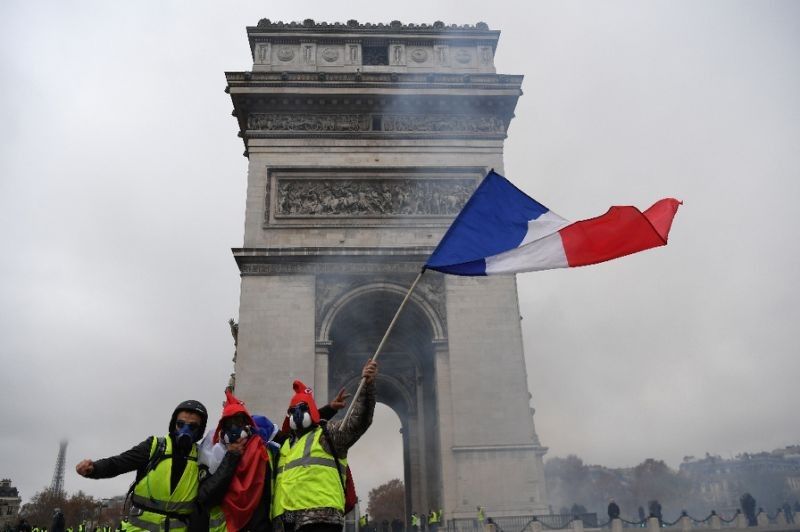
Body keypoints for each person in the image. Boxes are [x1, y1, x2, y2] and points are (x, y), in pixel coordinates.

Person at [272, 359, 378, 532]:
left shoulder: (327, 435)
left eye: (303, 409)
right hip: (290, 521)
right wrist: (329, 408)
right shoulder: (286, 445)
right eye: (293, 411)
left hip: (321, 520)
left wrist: (367, 386)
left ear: (311, 412)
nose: (297, 415)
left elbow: (358, 422)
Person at [76, 400, 209, 532]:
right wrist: (94, 468)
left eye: (192, 427)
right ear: (173, 424)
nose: (185, 430)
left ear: (200, 431)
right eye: (180, 424)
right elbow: (118, 463)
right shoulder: (155, 446)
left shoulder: (202, 457)